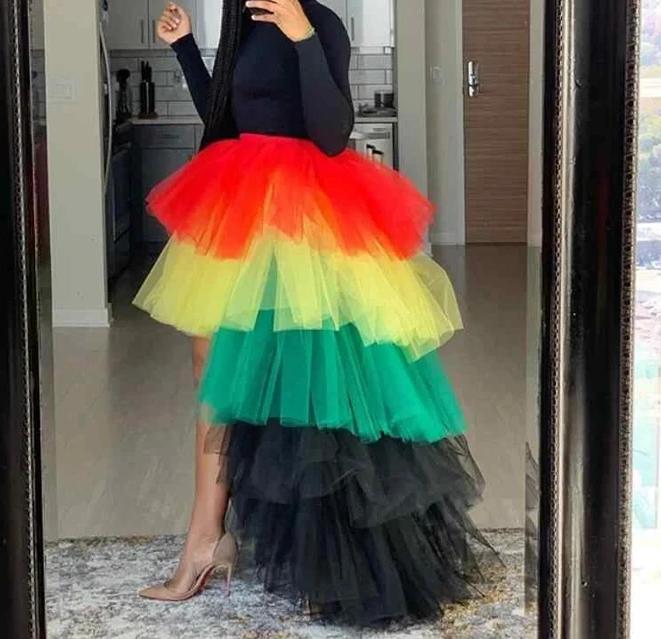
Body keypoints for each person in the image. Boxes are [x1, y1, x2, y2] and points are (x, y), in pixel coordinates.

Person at [134, 0, 491, 624]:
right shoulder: (242, 22)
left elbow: (331, 133)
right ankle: (206, 538)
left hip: (306, 216)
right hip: (241, 205)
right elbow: (224, 122)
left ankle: (320, 554)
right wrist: (186, 47)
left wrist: (302, 38)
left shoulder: (320, 21)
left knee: (304, 379)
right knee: (212, 369)